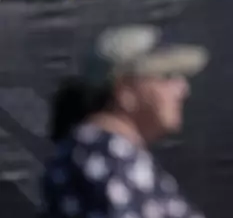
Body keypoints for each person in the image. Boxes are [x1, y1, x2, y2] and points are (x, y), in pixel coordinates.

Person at [41, 24, 210, 218]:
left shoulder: (111, 154)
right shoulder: (106, 158)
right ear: (125, 91)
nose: (182, 89)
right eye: (167, 76)